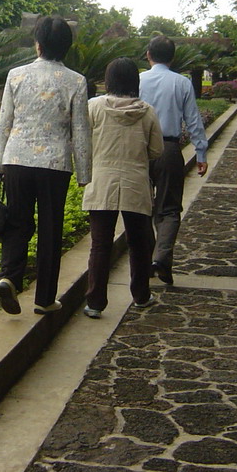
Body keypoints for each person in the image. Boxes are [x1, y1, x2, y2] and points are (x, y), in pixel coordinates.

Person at [0, 15, 92, 315]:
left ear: (37, 44)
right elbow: (81, 131)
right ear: (67, 47)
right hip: (55, 163)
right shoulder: (76, 81)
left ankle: (9, 277)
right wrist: (85, 173)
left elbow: (4, 122)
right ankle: (45, 299)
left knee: (17, 223)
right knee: (50, 229)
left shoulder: (15, 75)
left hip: (17, 159)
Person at [82, 57, 163, 319]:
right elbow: (156, 150)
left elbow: (82, 143)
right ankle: (141, 295)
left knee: (100, 244)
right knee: (140, 242)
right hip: (136, 183)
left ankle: (95, 302)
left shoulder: (93, 107)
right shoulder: (147, 111)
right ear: (134, 81)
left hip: (101, 181)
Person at [139, 35, 208, 286]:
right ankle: (162, 258)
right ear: (173, 58)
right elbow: (193, 120)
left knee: (141, 209)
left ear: (148, 54)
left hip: (140, 150)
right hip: (169, 149)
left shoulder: (138, 80)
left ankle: (145, 262)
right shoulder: (182, 83)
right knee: (169, 209)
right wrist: (200, 152)